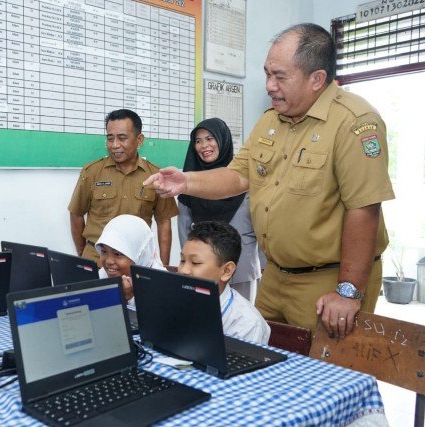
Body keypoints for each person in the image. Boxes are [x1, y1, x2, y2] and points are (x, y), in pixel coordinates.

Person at [144, 23, 394, 338]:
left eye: (280, 76)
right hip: (275, 275)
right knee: (259, 355)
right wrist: (185, 182)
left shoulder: (354, 123)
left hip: (327, 279)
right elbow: (238, 175)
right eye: (267, 74)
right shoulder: (271, 120)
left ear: (316, 79)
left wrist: (348, 291)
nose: (269, 86)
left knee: (318, 367)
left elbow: (364, 209)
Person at [68, 109, 178, 267]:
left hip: (136, 262)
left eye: (122, 138)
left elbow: (164, 222)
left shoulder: (155, 176)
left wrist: (162, 267)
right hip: (97, 260)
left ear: (139, 140)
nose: (114, 145)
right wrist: (84, 254)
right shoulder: (92, 172)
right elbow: (76, 213)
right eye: (110, 138)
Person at [178, 118, 263, 302]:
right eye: (198, 141)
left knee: (241, 317)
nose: (204, 145)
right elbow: (184, 229)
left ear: (222, 140)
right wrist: (189, 263)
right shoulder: (191, 181)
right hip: (202, 270)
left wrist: (266, 266)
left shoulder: (244, 177)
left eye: (210, 139)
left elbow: (263, 225)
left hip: (242, 267)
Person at [179, 221, 270, 344]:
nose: (183, 270)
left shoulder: (246, 324)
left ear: (227, 271)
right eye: (182, 260)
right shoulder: (175, 300)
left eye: (196, 263)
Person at [95, 214, 166, 303]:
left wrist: (129, 299)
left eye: (117, 254)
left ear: (140, 255)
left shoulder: (163, 287)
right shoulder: (102, 276)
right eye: (104, 251)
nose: (109, 261)